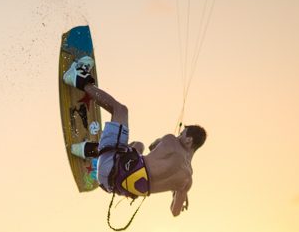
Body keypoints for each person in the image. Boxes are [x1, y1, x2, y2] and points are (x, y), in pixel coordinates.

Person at [63, 56, 206, 217]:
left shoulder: (171, 141)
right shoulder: (186, 182)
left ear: (189, 140)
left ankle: (78, 78)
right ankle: (88, 149)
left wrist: (169, 142)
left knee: (121, 110)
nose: (179, 136)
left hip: (111, 162)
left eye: (182, 134)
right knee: (138, 146)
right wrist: (180, 191)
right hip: (109, 185)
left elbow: (153, 146)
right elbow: (175, 212)